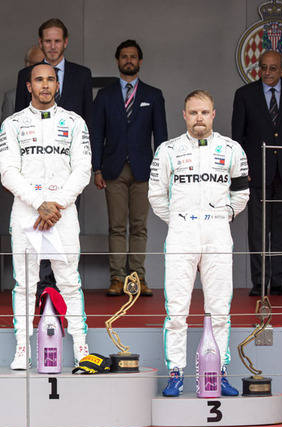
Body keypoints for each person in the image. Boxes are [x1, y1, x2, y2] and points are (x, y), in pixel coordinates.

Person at [149, 90, 248, 397]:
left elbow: (241, 192)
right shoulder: (168, 150)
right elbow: (156, 195)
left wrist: (223, 216)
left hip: (218, 231)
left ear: (214, 114)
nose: (199, 118)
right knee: (176, 311)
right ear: (184, 115)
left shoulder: (232, 149)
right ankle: (176, 373)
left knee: (219, 310)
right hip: (182, 233)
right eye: (193, 113)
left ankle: (218, 373)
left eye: (204, 112)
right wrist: (180, 221)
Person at [0, 62, 91, 369]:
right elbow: (8, 172)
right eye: (39, 79)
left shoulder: (75, 122)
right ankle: (22, 349)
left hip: (62, 213)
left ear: (57, 84)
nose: (45, 85)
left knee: (69, 282)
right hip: (26, 212)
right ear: (29, 86)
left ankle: (81, 346)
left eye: (51, 79)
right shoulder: (12, 123)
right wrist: (40, 202)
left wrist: (57, 204)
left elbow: (83, 169)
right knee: (24, 284)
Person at [14, 18, 93, 296]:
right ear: (40, 43)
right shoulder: (26, 75)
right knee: (34, 224)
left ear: (66, 42)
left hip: (68, 170)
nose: (52, 46)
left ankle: (59, 285)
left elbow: (88, 120)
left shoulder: (82, 75)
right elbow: (17, 119)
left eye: (57, 40)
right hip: (33, 172)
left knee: (63, 224)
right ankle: (40, 284)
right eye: (47, 41)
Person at [232, 50, 282, 297]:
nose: (267, 72)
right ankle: (259, 282)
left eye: (272, 68)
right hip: (256, 173)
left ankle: (278, 281)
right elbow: (237, 138)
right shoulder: (244, 94)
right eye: (263, 67)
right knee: (257, 232)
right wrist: (242, 171)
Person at [92, 40, 167, 297]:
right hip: (112, 169)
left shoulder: (153, 95)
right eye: (124, 56)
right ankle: (117, 278)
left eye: (133, 56)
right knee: (116, 226)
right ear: (117, 60)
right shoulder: (104, 95)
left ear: (140, 61)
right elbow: (96, 134)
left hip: (143, 170)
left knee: (139, 226)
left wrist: (160, 172)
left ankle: (137, 278)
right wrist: (96, 169)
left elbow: (162, 138)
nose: (128, 60)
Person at [1, 45, 44, 122]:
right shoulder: (11, 98)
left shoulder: (57, 95)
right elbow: (5, 130)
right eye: (37, 64)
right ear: (27, 64)